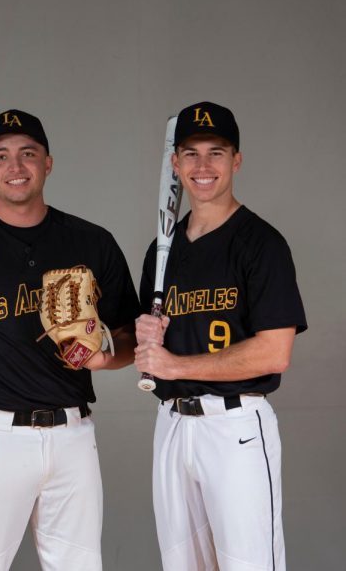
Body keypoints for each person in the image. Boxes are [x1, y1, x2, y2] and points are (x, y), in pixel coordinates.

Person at [0, 109, 139, 570]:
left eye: (28, 154)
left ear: (48, 163)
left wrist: (105, 358)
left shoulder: (92, 242)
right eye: (1, 156)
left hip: (73, 435)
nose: (15, 167)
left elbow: (131, 338)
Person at [134, 101, 307, 571]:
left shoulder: (261, 243)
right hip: (171, 426)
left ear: (237, 160)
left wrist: (174, 365)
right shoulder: (161, 250)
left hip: (235, 428)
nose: (203, 166)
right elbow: (153, 346)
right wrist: (145, 337)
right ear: (175, 164)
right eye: (190, 154)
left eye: (217, 152)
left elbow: (275, 352)